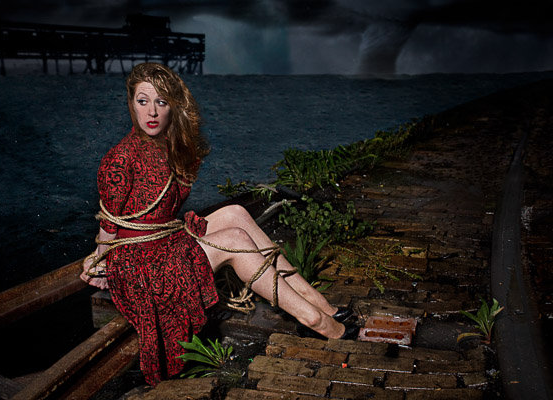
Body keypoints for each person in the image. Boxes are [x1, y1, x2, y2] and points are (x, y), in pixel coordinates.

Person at [80, 62, 358, 386]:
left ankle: (316, 302)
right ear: (131, 104)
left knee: (235, 213)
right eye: (143, 101)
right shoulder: (120, 159)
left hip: (163, 244)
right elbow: (110, 224)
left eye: (161, 101)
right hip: (140, 266)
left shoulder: (170, 146)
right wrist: (98, 260)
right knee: (235, 239)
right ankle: (314, 320)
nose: (151, 111)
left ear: (173, 105)